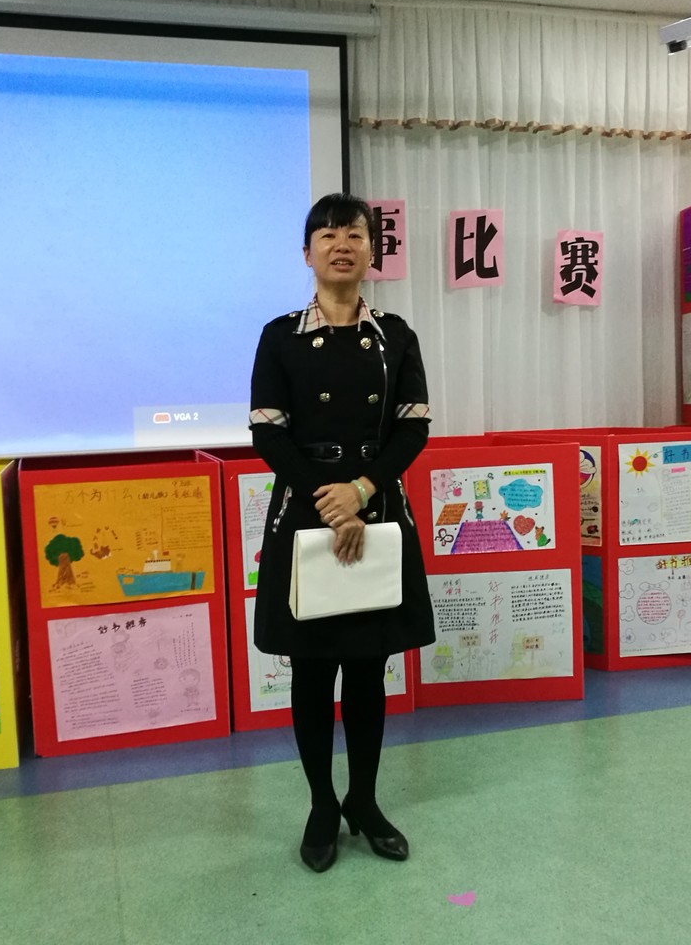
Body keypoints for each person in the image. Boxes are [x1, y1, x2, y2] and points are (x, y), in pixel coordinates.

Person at [249, 193, 435, 873]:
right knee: (310, 669)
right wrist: (328, 501)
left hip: (376, 509)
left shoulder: (396, 336)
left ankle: (364, 800)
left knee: (366, 667)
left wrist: (360, 491)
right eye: (326, 235)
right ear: (307, 253)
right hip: (305, 511)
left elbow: (413, 428)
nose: (341, 244)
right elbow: (268, 432)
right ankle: (322, 805)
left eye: (354, 233)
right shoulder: (279, 336)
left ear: (370, 251)